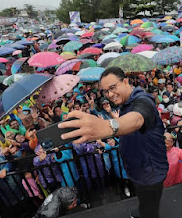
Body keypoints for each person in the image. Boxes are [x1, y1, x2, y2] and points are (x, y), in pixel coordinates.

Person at [59, 67, 168, 218]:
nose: (110, 95)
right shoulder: (125, 102)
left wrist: (106, 126)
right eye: (105, 91)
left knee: (151, 210)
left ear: (125, 81)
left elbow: (136, 119)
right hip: (138, 169)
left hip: (150, 173)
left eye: (112, 87)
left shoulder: (143, 100)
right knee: (144, 201)